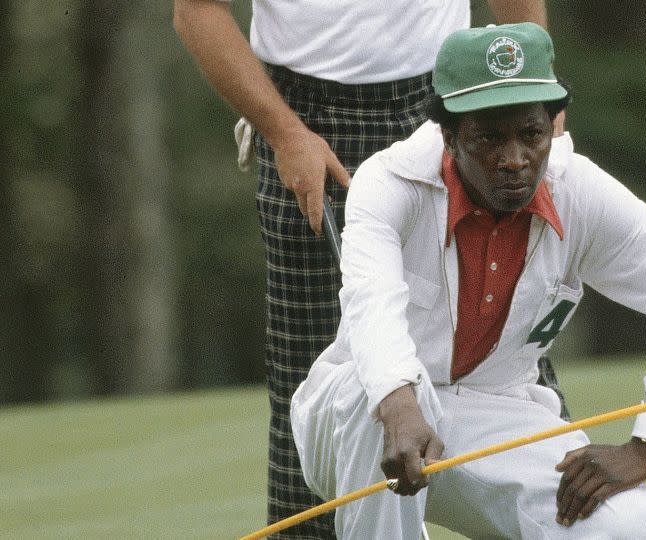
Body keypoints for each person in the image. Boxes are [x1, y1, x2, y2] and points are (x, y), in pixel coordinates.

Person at [290, 22, 646, 539]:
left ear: (552, 126)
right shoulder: (387, 182)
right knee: (366, 390)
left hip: (498, 413)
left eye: (531, 134)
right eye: (489, 137)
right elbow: (371, 307)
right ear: (448, 134)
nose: (515, 160)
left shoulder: (580, 191)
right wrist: (399, 405)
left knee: (635, 526)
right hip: (359, 418)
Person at [172, 1, 569, 537]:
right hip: (308, 122)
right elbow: (197, 10)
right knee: (323, 386)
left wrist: (531, 92)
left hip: (466, 105)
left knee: (508, 352)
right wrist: (285, 134)